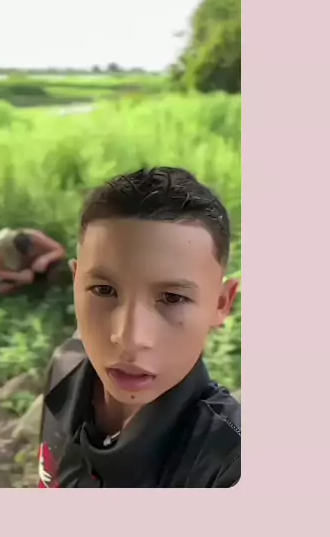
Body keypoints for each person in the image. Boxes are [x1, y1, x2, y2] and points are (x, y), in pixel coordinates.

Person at [37, 166, 241, 488]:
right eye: (103, 290)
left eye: (172, 298)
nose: (129, 338)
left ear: (221, 303)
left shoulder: (229, 461)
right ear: (76, 283)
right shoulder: (66, 368)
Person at [0, 227, 67, 296]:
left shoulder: (35, 236)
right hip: (22, 271)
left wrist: (45, 259)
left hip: (45, 267)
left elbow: (60, 250)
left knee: (58, 272)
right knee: (1, 288)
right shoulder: (1, 251)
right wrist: (19, 276)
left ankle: (52, 291)